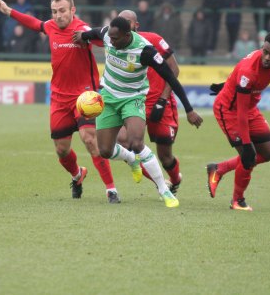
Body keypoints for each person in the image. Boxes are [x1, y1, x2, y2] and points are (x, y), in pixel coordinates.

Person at [0, 0, 121, 204]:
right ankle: (78, 175)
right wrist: (8, 10)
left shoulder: (83, 30)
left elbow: (103, 39)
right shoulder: (50, 26)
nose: (58, 16)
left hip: (84, 95)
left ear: (72, 10)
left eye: (62, 11)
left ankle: (111, 189)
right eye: (54, 11)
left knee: (89, 139)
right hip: (59, 98)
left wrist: (96, 36)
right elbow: (34, 23)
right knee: (62, 150)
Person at [73, 17, 203, 208]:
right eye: (110, 38)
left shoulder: (146, 50)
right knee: (105, 151)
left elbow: (171, 77)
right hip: (108, 98)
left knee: (136, 142)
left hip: (132, 99)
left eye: (116, 39)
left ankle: (163, 190)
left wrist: (189, 109)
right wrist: (82, 36)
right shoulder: (109, 35)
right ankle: (131, 159)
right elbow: (94, 33)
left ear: (128, 35)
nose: (112, 42)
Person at [207, 32, 270, 211]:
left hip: (250, 108)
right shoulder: (248, 72)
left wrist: (228, 84)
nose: (267, 57)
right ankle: (237, 201)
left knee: (269, 153)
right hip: (229, 111)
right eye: (265, 51)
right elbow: (240, 112)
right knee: (248, 157)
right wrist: (246, 142)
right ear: (261, 47)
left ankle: (219, 169)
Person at [117, 9, 182, 194]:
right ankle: (161, 183)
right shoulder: (116, 45)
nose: (124, 25)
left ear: (136, 25)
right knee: (124, 142)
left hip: (160, 104)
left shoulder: (153, 39)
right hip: (135, 103)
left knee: (165, 156)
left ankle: (175, 179)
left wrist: (162, 100)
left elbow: (174, 70)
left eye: (127, 21)